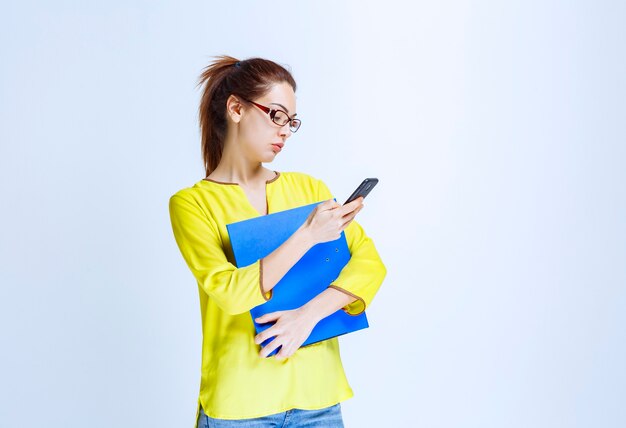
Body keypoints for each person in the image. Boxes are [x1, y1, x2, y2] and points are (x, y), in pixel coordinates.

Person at [168, 55, 387, 428]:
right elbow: (231, 293)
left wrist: (307, 317)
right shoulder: (192, 204)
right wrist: (307, 235)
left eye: (291, 121)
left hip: (318, 400)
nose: (285, 130)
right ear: (236, 108)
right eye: (276, 115)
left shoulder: (309, 189)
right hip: (240, 407)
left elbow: (369, 264)